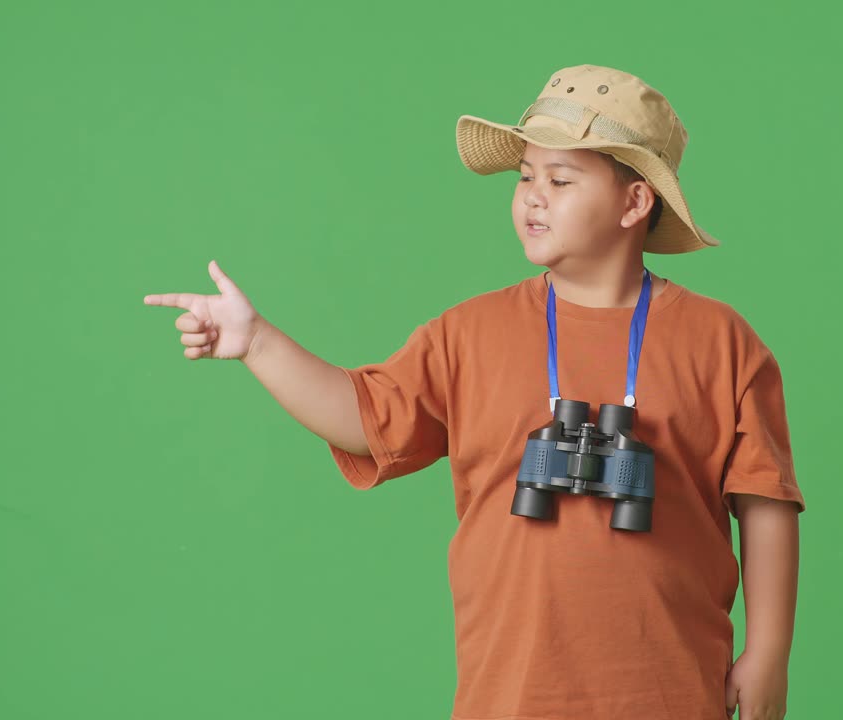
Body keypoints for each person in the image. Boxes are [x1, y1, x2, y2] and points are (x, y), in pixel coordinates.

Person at [144, 64, 806, 720]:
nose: (533, 196)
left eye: (561, 179)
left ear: (635, 203)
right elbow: (364, 417)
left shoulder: (720, 342)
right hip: (513, 693)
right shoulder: (469, 334)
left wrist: (769, 648)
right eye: (525, 178)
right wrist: (257, 342)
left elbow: (764, 498)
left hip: (669, 689)